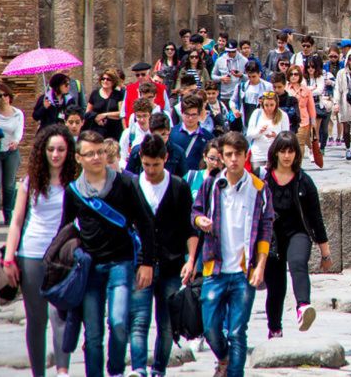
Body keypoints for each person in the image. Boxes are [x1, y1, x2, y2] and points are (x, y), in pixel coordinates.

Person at [63, 130, 156, 377]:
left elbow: (145, 222)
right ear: (79, 158)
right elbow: (65, 230)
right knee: (93, 333)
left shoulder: (125, 183)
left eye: (100, 152)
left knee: (118, 322)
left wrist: (147, 263)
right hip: (90, 267)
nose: (96, 157)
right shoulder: (73, 191)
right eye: (90, 153)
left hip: (121, 262)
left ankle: (115, 370)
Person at [191, 131, 274, 377]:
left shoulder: (259, 188)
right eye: (229, 155)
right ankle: (224, 358)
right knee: (210, 327)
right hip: (214, 267)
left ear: (246, 155)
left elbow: (266, 229)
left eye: (238, 154)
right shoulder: (211, 185)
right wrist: (199, 220)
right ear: (222, 158)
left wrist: (260, 266)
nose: (234, 159)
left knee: (238, 331)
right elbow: (194, 212)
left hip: (244, 270)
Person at [3, 124, 77, 377]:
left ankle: (63, 371)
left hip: (62, 256)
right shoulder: (30, 181)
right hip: (31, 253)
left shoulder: (74, 182)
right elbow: (16, 220)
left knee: (61, 315)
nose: (55, 154)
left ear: (69, 151)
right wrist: (9, 258)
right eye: (51, 149)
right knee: (36, 319)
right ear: (42, 151)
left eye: (61, 149)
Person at [129, 134, 198, 377]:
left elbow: (190, 229)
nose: (150, 170)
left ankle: (158, 369)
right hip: (140, 265)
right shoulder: (133, 186)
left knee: (166, 324)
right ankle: (138, 368)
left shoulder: (179, 187)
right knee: (139, 320)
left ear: (165, 159)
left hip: (171, 265)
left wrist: (191, 260)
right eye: (146, 164)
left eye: (155, 165)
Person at [260, 132, 333, 338]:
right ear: (275, 153)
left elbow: (316, 218)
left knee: (298, 263)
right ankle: (274, 328)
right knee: (276, 287)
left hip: (298, 233)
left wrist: (325, 254)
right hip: (271, 238)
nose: (286, 155)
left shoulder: (304, 181)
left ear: (296, 154)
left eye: (290, 151)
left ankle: (303, 307)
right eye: (282, 151)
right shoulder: (263, 180)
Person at [0, 84, 25, 226]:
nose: (3, 98)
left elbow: (19, 131)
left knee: (9, 185)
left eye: (5, 95)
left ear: (10, 96)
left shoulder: (18, 113)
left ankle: (8, 213)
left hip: (11, 152)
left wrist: (16, 141)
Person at [126, 113, 187, 178]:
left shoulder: (178, 152)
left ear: (169, 131)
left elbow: (184, 179)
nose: (160, 139)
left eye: (163, 134)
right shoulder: (137, 151)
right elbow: (129, 176)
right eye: (156, 135)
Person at [169, 93, 214, 172]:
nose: (190, 118)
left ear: (199, 114)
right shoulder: (171, 133)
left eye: (194, 115)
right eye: (187, 114)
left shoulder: (208, 137)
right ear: (181, 113)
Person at [245, 91, 289, 169]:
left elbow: (287, 137)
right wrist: (259, 131)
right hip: (258, 155)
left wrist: (276, 136)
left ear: (276, 104)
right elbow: (249, 134)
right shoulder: (256, 113)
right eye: (266, 105)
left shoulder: (283, 115)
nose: (269, 108)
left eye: (272, 105)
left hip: (275, 155)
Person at [121, 63, 171, 127]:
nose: (140, 77)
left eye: (143, 74)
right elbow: (123, 114)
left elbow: (167, 110)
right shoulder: (129, 89)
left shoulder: (161, 89)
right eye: (137, 75)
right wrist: (126, 131)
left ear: (149, 74)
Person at [229, 61, 273, 132]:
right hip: (245, 117)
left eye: (254, 76)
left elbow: (274, 101)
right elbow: (232, 100)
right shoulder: (241, 87)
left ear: (259, 74)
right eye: (249, 77)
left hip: (262, 118)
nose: (251, 79)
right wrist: (234, 109)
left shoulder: (267, 86)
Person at [83, 69, 124, 141]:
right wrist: (96, 117)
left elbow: (121, 113)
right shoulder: (94, 93)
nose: (105, 81)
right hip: (97, 130)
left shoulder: (119, 94)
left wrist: (105, 115)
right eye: (103, 78)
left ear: (113, 81)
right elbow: (87, 112)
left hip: (114, 131)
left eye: (108, 79)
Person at [285, 65, 316, 156]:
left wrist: (313, 121)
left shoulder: (306, 90)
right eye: (291, 74)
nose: (293, 76)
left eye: (296, 74)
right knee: (288, 145)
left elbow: (311, 107)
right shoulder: (285, 89)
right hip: (288, 121)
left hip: (303, 121)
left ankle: (298, 165)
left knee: (300, 144)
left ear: (300, 76)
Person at [304, 56, 333, 153]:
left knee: (316, 128)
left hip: (317, 104)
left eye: (312, 66)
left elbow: (320, 90)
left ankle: (317, 148)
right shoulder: (303, 78)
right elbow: (302, 90)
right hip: (306, 105)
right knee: (307, 129)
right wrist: (312, 89)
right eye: (308, 67)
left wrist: (309, 90)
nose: (310, 69)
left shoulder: (320, 77)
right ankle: (311, 147)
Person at [119, 98, 154, 169]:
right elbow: (121, 157)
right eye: (138, 116)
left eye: (144, 115)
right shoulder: (128, 133)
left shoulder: (154, 132)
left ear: (150, 115)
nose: (141, 120)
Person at [211, 41, 247, 106]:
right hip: (224, 95)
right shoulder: (220, 60)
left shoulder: (244, 60)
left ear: (237, 50)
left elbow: (249, 78)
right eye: (228, 51)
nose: (230, 53)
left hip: (238, 95)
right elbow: (213, 76)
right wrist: (221, 78)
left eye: (233, 51)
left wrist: (241, 75)